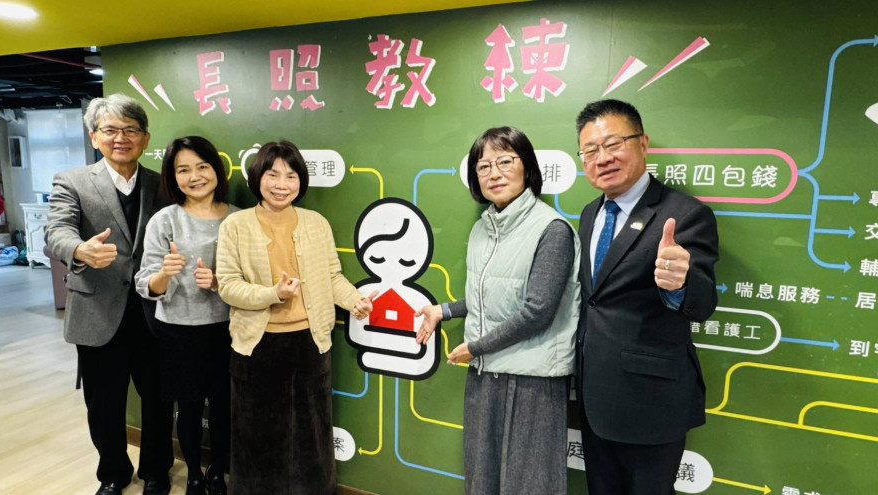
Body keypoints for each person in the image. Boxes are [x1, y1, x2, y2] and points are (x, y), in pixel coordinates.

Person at [415, 126, 581, 494]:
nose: (494, 173)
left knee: (529, 484)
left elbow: (538, 310)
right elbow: (490, 299)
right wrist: (443, 310)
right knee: (482, 478)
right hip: (486, 373)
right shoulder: (483, 229)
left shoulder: (551, 229)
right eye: (483, 166)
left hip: (533, 380)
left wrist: (475, 347)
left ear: (527, 167)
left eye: (505, 161)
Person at [573, 99, 720, 495]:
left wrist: (680, 284)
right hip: (593, 394)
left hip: (651, 401)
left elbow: (704, 303)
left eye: (613, 144)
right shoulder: (589, 214)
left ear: (642, 143)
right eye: (590, 150)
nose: (603, 158)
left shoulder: (684, 213)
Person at [215, 139, 376, 494]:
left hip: (310, 342)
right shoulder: (235, 225)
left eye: (290, 176)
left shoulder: (316, 223)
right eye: (272, 174)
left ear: (301, 180)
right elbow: (227, 286)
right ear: (257, 177)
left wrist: (355, 301)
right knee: (256, 436)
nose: (281, 184)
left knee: (311, 436)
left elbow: (331, 276)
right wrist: (273, 294)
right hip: (256, 345)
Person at [45, 94, 174, 495]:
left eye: (131, 129)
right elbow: (57, 231)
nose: (121, 138)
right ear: (94, 136)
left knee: (158, 399)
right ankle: (113, 474)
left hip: (155, 312)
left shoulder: (160, 183)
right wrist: (80, 250)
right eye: (110, 130)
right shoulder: (72, 181)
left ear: (145, 138)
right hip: (97, 312)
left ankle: (156, 471)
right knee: (104, 404)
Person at [134, 136, 237, 495]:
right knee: (189, 407)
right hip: (179, 330)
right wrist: (165, 273)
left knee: (224, 406)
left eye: (202, 166)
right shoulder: (165, 220)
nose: (194, 176)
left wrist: (218, 282)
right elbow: (145, 283)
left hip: (228, 328)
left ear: (216, 169)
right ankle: (193, 473)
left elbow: (253, 277)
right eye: (183, 170)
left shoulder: (239, 218)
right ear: (172, 177)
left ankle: (217, 471)